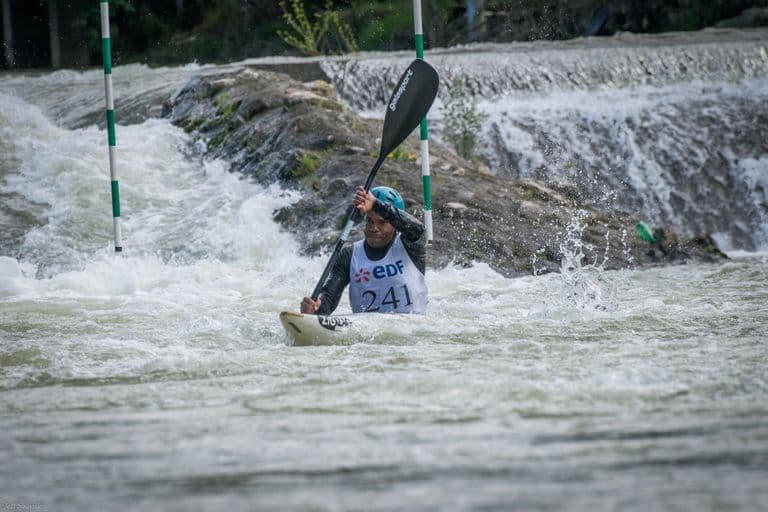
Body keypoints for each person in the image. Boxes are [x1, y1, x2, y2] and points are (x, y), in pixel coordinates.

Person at [301, 185, 428, 315]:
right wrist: (317, 307)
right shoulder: (349, 255)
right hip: (368, 327)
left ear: (395, 224)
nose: (374, 228)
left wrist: (376, 205)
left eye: (382, 222)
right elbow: (329, 298)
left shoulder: (411, 245)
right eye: (370, 221)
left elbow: (419, 229)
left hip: (410, 324)